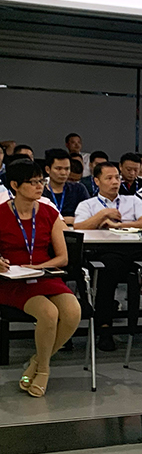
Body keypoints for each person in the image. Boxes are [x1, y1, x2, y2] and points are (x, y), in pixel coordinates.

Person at [0, 160, 82, 398]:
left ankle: (36, 362)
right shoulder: (1, 213)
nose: (39, 186)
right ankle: (44, 370)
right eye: (33, 182)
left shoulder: (49, 213)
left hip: (43, 275)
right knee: (48, 313)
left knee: (73, 311)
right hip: (12, 280)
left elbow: (63, 258)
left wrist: (39, 267)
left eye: (41, 181)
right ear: (15, 185)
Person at [74, 162, 142, 351]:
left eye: (117, 177)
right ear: (96, 181)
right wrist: (103, 214)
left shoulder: (132, 200)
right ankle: (104, 327)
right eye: (109, 178)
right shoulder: (88, 204)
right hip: (104, 251)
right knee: (107, 271)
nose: (115, 182)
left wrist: (120, 225)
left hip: (134, 251)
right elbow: (79, 227)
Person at [42, 149, 90, 225]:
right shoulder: (40, 192)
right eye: (58, 169)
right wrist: (63, 220)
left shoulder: (78, 189)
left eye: (67, 169)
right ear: (48, 169)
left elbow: (89, 215)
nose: (63, 173)